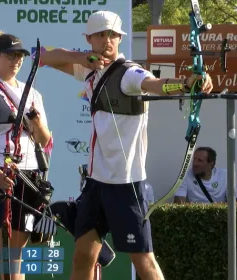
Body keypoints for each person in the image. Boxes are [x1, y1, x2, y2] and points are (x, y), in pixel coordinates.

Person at [39, 10, 214, 280]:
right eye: (99, 34)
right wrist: (80, 57)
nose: (106, 40)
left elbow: (154, 84)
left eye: (112, 35)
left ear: (120, 38)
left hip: (126, 186)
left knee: (143, 261)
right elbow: (43, 57)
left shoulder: (130, 73)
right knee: (83, 255)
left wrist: (187, 83)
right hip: (96, 184)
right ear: (89, 39)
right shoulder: (90, 70)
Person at [0, 30, 51, 280]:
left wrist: (35, 122)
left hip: (28, 175)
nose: (16, 61)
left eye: (20, 56)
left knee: (17, 249)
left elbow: (44, 140)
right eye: (10, 55)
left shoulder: (33, 94)